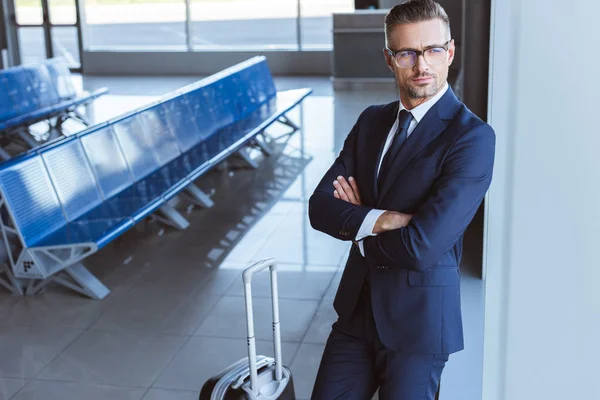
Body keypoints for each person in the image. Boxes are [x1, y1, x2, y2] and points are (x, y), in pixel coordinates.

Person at [307, 0, 496, 399]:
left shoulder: (471, 137)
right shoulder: (371, 121)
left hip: (418, 326)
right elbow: (320, 207)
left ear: (451, 52)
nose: (422, 65)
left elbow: (423, 247)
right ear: (389, 59)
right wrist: (386, 219)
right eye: (408, 53)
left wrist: (359, 221)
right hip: (356, 312)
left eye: (433, 50)